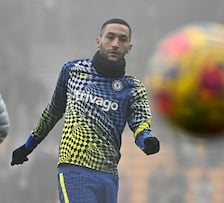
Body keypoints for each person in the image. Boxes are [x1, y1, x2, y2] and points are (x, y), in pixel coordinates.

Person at [10, 18, 160, 203]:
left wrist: (147, 141)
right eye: (110, 37)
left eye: (122, 39)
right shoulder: (73, 70)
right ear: (98, 41)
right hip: (75, 168)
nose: (115, 43)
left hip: (109, 175)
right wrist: (27, 147)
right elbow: (53, 112)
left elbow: (140, 124)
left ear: (129, 47)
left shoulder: (133, 87)